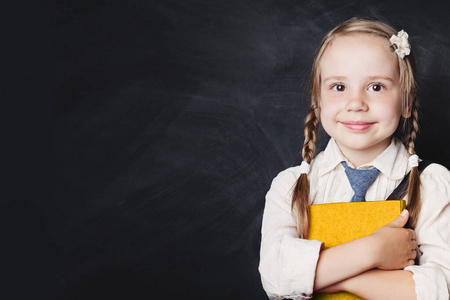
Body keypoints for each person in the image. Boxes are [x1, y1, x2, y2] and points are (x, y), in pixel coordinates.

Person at [259, 17, 450, 300]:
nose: (356, 103)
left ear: (407, 101)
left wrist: (320, 277)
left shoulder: (432, 186)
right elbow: (274, 278)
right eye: (339, 87)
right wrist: (374, 250)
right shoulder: (291, 187)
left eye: (376, 87)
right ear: (318, 100)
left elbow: (439, 290)